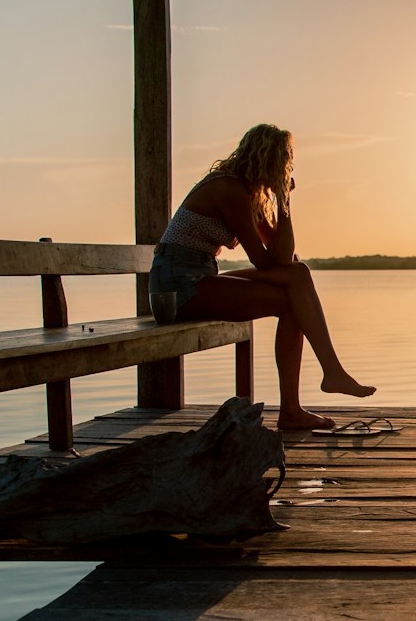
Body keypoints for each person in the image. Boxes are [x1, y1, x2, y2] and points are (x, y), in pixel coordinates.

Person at [149, 123, 374, 429]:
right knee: (294, 290)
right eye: (284, 162)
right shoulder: (228, 189)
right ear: (267, 159)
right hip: (178, 285)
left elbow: (283, 256)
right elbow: (264, 262)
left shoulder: (248, 194)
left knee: (297, 282)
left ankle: (299, 404)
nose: (287, 168)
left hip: (198, 276)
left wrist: (284, 202)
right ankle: (319, 383)